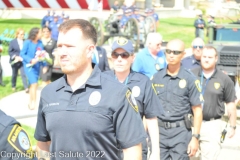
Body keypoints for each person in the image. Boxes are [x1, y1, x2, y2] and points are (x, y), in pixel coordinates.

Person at [34, 19, 146, 160]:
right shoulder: (48, 93)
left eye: (69, 46)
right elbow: (43, 145)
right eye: (60, 46)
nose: (62, 52)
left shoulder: (117, 94)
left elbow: (132, 152)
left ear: (90, 50)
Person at [104, 37, 162, 160]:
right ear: (111, 57)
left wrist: (155, 152)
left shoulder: (143, 82)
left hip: (135, 145)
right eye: (116, 54)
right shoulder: (101, 80)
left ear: (132, 58)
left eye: (124, 55)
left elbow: (151, 118)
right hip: (107, 145)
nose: (119, 59)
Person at [151, 39, 203, 160]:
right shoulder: (156, 78)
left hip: (181, 133)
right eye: (168, 51)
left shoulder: (190, 79)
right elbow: (148, 109)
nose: (171, 55)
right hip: (159, 133)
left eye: (176, 52)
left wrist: (195, 137)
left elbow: (198, 110)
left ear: (183, 55)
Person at [191, 46, 237, 160]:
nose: (206, 59)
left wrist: (233, 125)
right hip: (191, 124)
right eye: (204, 56)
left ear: (216, 59)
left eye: (210, 57)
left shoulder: (224, 79)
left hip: (211, 125)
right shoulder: (190, 75)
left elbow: (230, 103)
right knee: (190, 156)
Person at [20, 28, 47, 110]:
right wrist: (30, 60)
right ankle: (34, 104)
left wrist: (44, 65)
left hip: (37, 66)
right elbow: (22, 54)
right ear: (35, 34)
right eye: (40, 33)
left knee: (33, 85)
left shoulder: (40, 42)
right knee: (34, 84)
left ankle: (30, 101)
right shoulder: (27, 42)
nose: (41, 34)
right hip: (29, 66)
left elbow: (42, 54)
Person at [8, 28, 29, 92]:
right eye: (21, 34)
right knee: (14, 74)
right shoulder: (13, 42)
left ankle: (26, 88)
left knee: (23, 74)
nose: (22, 36)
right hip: (15, 61)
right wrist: (15, 57)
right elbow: (10, 51)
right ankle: (13, 85)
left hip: (22, 61)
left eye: (23, 34)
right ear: (17, 35)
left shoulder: (25, 42)